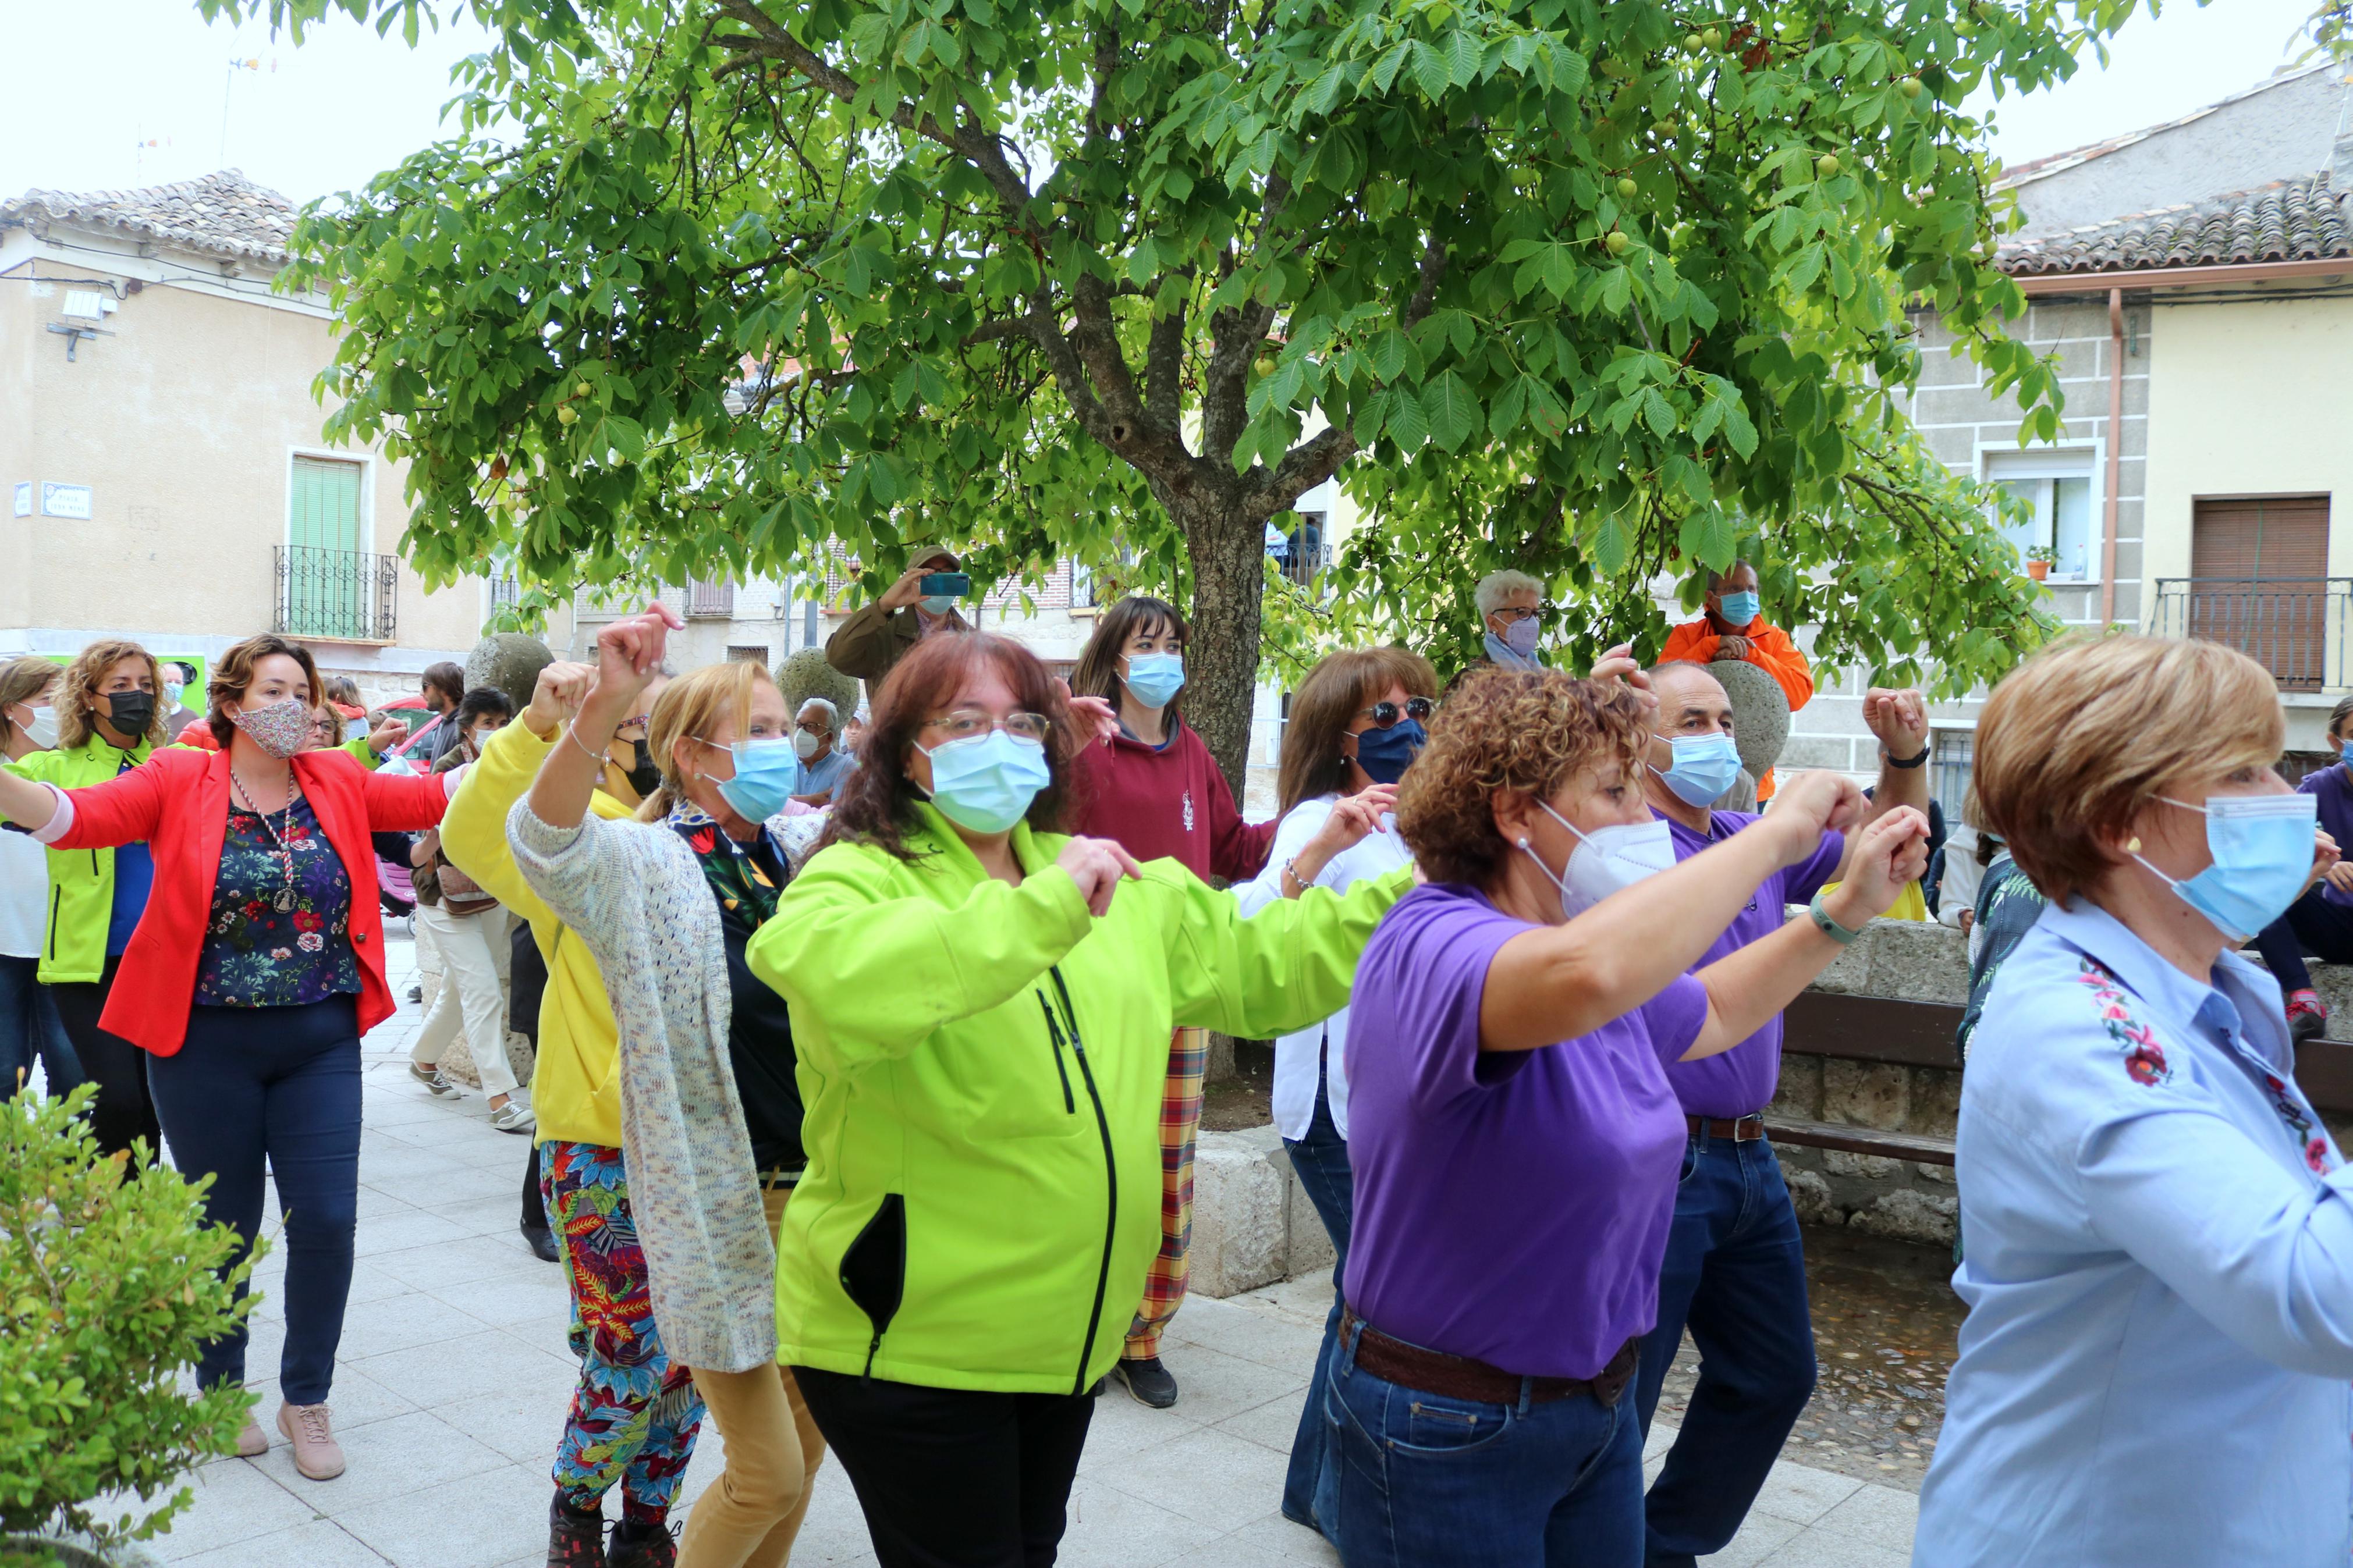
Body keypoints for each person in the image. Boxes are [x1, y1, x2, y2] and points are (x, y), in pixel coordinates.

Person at [747, 629, 1406, 1568]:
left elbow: (1271, 965)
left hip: (1061, 1342)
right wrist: (1042, 909)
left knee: (1025, 1548)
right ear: (905, 750)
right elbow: (843, 976)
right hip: (911, 1344)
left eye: (1022, 720)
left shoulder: (1118, 886)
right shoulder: (857, 879)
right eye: (964, 721)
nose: (1000, 741)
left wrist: (1418, 894)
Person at [1330, 669, 1928, 1567]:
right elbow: (1584, 977)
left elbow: (1716, 1012)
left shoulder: (1586, 936)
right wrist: (1774, 836)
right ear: (1512, 812)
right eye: (1613, 792)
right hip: (1447, 1421)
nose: (1643, 822)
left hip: (1591, 1412)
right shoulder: (1435, 941)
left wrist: (1841, 912)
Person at [1912, 634, 2353, 1567]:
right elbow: (2314, 1287)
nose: (2288, 799)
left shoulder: (2223, 994)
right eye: (2241, 771)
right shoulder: (2074, 1027)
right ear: (2117, 818)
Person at [0, 632, 459, 1482]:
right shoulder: (182, 774)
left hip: (317, 1037)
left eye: (306, 690)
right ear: (235, 701)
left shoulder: (337, 778)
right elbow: (77, 818)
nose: (299, 705)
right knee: (223, 1226)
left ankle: (307, 1396)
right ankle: (218, 1388)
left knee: (326, 1218)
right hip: (204, 1042)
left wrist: (560, 729)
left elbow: (440, 794)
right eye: (278, 688)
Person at [512, 610, 828, 1568]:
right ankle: (593, 1505)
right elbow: (544, 842)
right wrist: (595, 711)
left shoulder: (798, 851)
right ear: (693, 758)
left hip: (814, 1198)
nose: (790, 749)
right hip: (713, 1199)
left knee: (805, 1452)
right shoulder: (648, 863)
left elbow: (912, 798)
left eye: (790, 731)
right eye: (763, 732)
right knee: (763, 1466)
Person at [1626, 657, 1932, 1567]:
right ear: (1634, 738)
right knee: (1622, 1387)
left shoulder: (1748, 832)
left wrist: (1904, 754)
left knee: (1773, 1373)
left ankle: (1659, 1542)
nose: (1716, 736)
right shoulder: (1628, 848)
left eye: (1722, 718)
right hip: (1657, 1158)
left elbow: (1889, 840)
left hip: (1747, 1158)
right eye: (1689, 721)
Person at [438, 651, 705, 1566]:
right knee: (630, 1350)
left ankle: (645, 1523)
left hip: (716, 1148)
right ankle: (576, 1504)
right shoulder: (582, 839)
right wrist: (544, 726)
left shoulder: (767, 849)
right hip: (601, 1140)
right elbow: (475, 833)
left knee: (694, 1362)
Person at [1230, 646, 1431, 1537]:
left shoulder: (1425, 818)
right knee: (1378, 1296)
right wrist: (1321, 846)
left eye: (1415, 707)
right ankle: (1338, 1486)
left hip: (1402, 1105)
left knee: (1366, 1293)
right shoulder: (1321, 817)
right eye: (1382, 717)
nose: (1405, 729)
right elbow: (1258, 923)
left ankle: (1316, 1481)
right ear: (1337, 735)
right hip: (1331, 1107)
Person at [1064, 595, 1280, 1408]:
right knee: (1088, 1156)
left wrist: (1315, 820)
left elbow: (1233, 847)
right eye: (1145, 641)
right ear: (1114, 657)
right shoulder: (1081, 751)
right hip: (1092, 988)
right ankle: (1079, 1318)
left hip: (1180, 990)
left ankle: (1143, 1331)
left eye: (1171, 641)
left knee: (1166, 1165)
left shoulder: (1191, 751)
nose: (1162, 655)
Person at [3, 639, 168, 1158]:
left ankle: (133, 1221)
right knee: (114, 1099)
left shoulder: (175, 764)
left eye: (144, 685)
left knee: (150, 1102)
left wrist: (364, 750)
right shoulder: (54, 769)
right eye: (119, 686)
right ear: (89, 696)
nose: (134, 696)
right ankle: (103, 1208)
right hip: (85, 966)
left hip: (163, 963)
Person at [406, 689, 534, 1130]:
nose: (497, 732)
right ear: (467, 728)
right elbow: (427, 845)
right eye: (489, 723)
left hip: (492, 890)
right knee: (483, 991)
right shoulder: (449, 770)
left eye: (504, 723)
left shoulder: (520, 766)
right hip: (443, 895)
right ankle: (500, 1098)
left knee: (461, 991)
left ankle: (423, 1060)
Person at [1658, 562, 1814, 799]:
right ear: (1711, 597)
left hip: (1753, 780)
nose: (1745, 595)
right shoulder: (1686, 636)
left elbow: (1798, 695)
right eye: (1733, 590)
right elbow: (1660, 690)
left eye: (1751, 589)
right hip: (1688, 776)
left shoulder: (1775, 639)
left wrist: (1750, 654)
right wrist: (1710, 647)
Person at [0, 657, 81, 1100]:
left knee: (72, 1076)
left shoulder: (74, 768)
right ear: (11, 708)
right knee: (4, 1074)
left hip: (65, 944)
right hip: (4, 945)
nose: (59, 710)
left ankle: (66, 1169)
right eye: (48, 700)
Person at [2251, 695, 2353, 1040]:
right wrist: (2320, 862)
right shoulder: (2321, 786)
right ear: (2335, 741)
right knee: (2265, 887)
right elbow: (2271, 834)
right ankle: (2304, 1002)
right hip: (2338, 930)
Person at [824, 546, 971, 687]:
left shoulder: (973, 639)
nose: (938, 583)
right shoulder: (883, 635)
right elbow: (838, 657)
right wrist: (883, 606)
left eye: (946, 575)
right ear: (911, 580)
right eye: (929, 577)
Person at [1452, 568, 1546, 686]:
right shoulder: (1470, 681)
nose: (1533, 621)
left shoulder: (1542, 677)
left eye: (1536, 613)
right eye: (1522, 612)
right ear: (1493, 623)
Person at [789, 698, 855, 806]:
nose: (801, 733)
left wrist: (787, 802)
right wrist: (810, 801)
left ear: (829, 737)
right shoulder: (784, 761)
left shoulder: (845, 768)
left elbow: (834, 815)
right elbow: (765, 806)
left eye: (811, 727)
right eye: (798, 725)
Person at [159, 660, 207, 741]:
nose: (173, 686)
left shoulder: (192, 718)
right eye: (168, 681)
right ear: (157, 684)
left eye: (178, 682)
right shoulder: (148, 715)